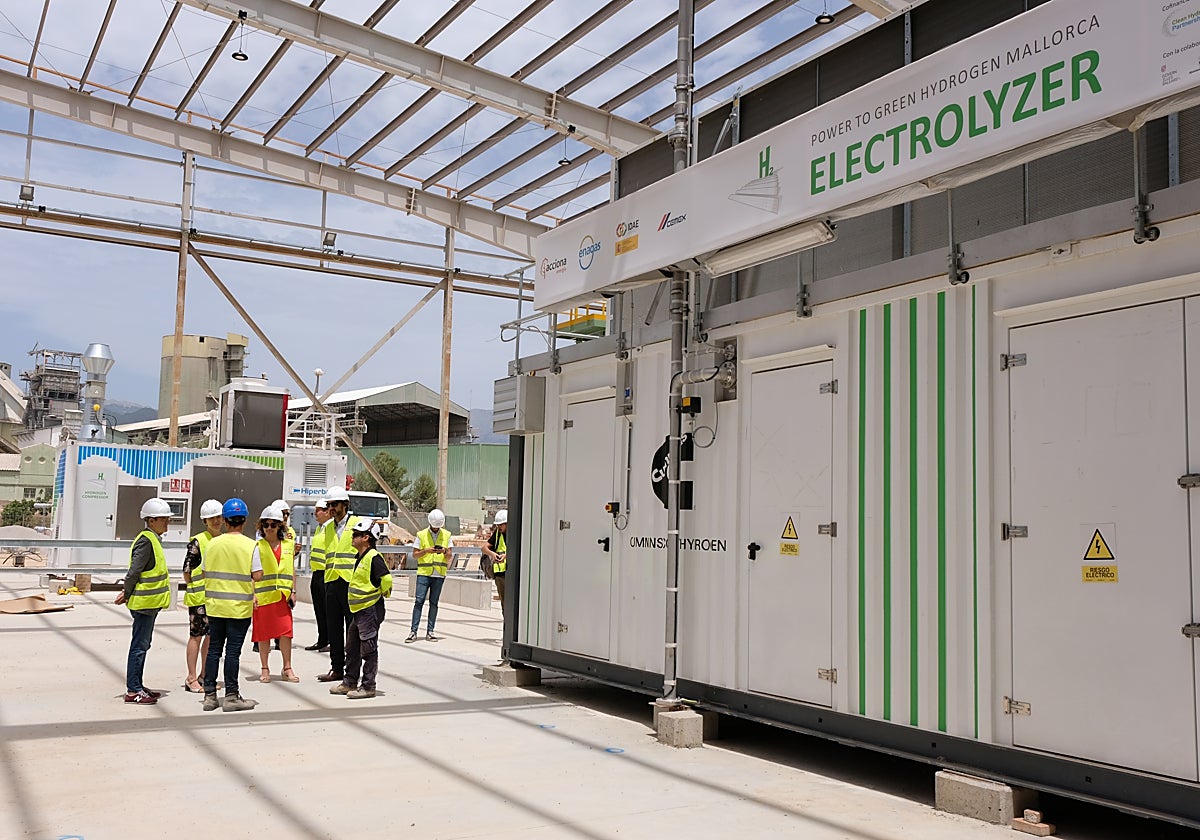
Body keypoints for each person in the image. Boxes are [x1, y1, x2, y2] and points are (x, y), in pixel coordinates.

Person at [201, 498, 258, 713]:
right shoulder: (251, 545)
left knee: (214, 649)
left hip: (215, 606)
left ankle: (209, 696)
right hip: (238, 609)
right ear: (243, 521)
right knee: (232, 652)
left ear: (225, 521)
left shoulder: (213, 544)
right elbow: (258, 574)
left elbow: (205, 571)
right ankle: (232, 696)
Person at [115, 497, 173, 705]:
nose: (167, 523)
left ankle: (138, 684)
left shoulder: (153, 539)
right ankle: (133, 690)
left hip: (149, 604)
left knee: (143, 644)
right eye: (163, 519)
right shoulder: (146, 541)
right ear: (151, 519)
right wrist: (127, 592)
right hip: (143, 604)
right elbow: (134, 571)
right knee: (139, 646)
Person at [331, 519, 392, 700]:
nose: (353, 537)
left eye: (356, 535)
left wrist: (382, 592)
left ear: (366, 537)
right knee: (352, 647)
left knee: (368, 648)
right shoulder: (361, 557)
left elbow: (386, 579)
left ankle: (368, 686)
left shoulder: (373, 557)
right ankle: (349, 682)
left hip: (369, 610)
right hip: (359, 611)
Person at [317, 485, 360, 683]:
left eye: (334, 504)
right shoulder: (327, 529)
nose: (331, 508)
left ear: (345, 505)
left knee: (352, 630)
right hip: (332, 581)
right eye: (329, 505)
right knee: (334, 628)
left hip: (350, 582)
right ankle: (336, 668)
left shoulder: (358, 525)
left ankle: (352, 670)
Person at [253, 505, 299, 683]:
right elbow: (252, 571)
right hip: (264, 597)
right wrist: (253, 594)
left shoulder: (288, 545)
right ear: (261, 526)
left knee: (286, 633)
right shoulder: (257, 546)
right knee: (263, 635)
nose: (269, 528)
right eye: (266, 525)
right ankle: (265, 668)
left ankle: (287, 667)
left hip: (283, 596)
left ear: (280, 525)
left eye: (273, 524)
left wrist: (293, 590)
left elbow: (291, 569)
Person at [181, 499, 223, 693]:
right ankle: (191, 678)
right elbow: (187, 570)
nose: (215, 521)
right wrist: (195, 587)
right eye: (211, 518)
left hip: (216, 598)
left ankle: (205, 676)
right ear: (205, 521)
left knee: (211, 638)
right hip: (199, 598)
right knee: (196, 637)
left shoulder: (223, 540)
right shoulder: (199, 541)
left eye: (218, 517)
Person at [408, 508, 451, 643]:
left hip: (438, 574)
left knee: (434, 603)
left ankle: (430, 631)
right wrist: (426, 551)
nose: (436, 529)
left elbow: (449, 556)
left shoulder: (447, 535)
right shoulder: (421, 535)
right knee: (419, 602)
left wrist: (444, 551)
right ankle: (413, 631)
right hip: (424, 574)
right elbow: (415, 555)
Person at [304, 499, 332, 652]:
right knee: (319, 610)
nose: (315, 513)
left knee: (328, 611)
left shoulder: (331, 529)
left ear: (327, 512)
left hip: (326, 574)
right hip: (316, 573)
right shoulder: (320, 529)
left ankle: (330, 640)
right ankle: (322, 639)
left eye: (318, 510)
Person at [482, 509, 508, 623]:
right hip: (500, 574)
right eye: (497, 525)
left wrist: (506, 556)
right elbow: (484, 548)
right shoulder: (497, 534)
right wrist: (493, 554)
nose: (499, 527)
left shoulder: (516, 533)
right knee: (504, 603)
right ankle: (507, 629)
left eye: (501, 525)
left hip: (512, 573)